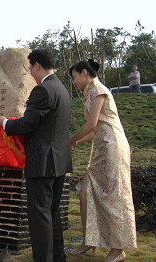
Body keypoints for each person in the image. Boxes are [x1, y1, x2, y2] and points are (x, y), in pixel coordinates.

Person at [0, 48, 72, 262]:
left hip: (43, 163)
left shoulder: (42, 90)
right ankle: (58, 256)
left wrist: (4, 123)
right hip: (59, 161)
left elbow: (28, 123)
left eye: (30, 67)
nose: (30, 72)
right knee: (53, 214)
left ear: (37, 65)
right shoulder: (62, 89)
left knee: (40, 217)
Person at [69, 61, 137, 262]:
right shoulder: (88, 94)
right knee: (85, 192)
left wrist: (70, 140)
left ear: (84, 73)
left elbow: (92, 124)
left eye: (74, 77)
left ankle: (118, 250)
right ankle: (89, 240)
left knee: (115, 197)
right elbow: (96, 129)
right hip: (103, 148)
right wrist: (78, 141)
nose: (74, 82)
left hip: (114, 148)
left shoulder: (98, 89)